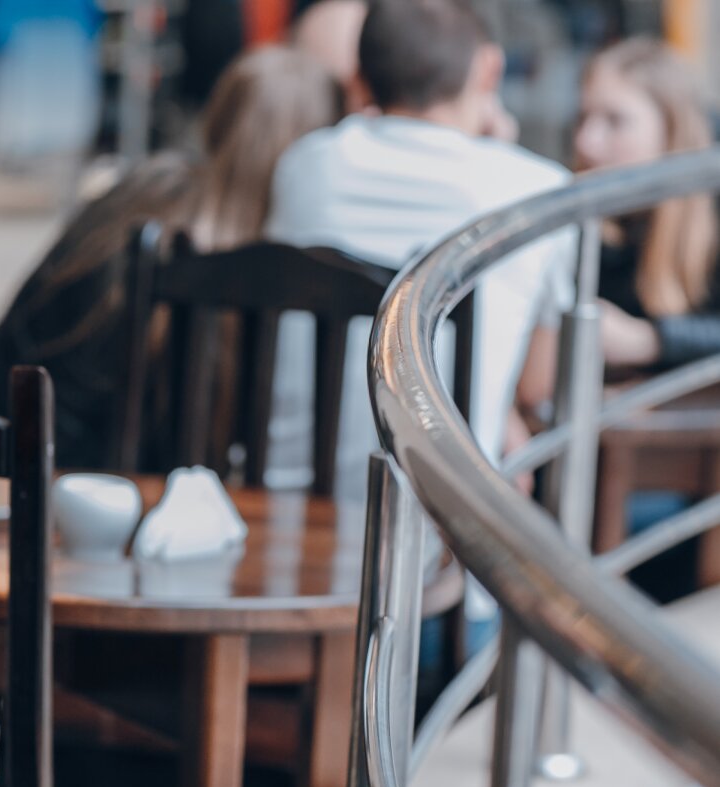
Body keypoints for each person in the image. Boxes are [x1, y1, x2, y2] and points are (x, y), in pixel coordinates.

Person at [262, 0, 575, 648]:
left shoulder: (304, 165)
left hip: (279, 552)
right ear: (488, 70)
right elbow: (537, 388)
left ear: (362, 79)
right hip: (432, 586)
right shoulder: (535, 191)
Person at [0, 46, 343, 468]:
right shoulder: (267, 271)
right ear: (316, 151)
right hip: (95, 486)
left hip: (8, 433)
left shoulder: (142, 189)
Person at [521, 37, 719, 403]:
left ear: (672, 130)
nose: (586, 142)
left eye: (616, 121)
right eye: (582, 118)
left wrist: (649, 340)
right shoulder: (574, 229)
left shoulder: (713, 213)